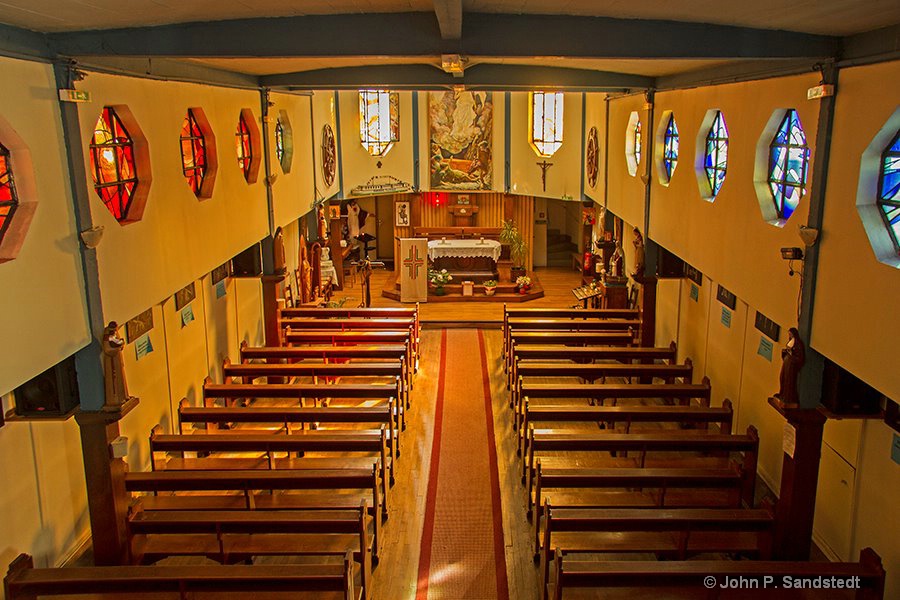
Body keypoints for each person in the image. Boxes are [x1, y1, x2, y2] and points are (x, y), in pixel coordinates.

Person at [101, 321, 129, 407]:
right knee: (113, 380)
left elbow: (117, 341)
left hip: (116, 358)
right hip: (111, 360)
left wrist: (120, 344)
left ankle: (122, 396)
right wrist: (118, 346)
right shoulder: (107, 335)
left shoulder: (114, 333)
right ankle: (114, 398)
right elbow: (107, 349)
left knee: (120, 378)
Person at [776, 327, 806, 405]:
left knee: (788, 380)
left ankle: (788, 397)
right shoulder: (791, 341)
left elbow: (799, 357)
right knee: (782, 377)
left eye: (790, 334)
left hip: (791, 364)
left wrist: (792, 357)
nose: (789, 335)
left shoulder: (798, 344)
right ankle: (782, 394)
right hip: (787, 362)